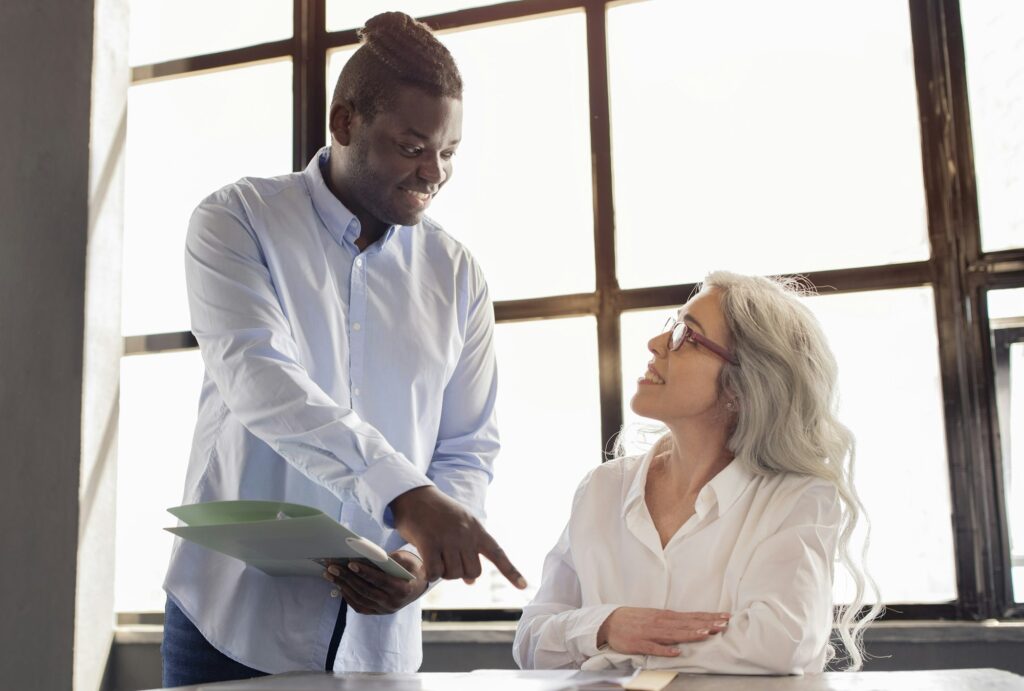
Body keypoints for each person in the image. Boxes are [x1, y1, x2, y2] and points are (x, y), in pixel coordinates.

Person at [162, 11, 525, 687]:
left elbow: (468, 445)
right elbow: (260, 379)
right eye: (414, 145)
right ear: (345, 122)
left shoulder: (457, 274)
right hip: (230, 622)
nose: (434, 172)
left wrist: (423, 560)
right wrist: (406, 495)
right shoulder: (236, 221)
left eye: (449, 152)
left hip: (381, 644)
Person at [513, 271, 880, 674]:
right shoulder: (603, 487)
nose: (655, 344)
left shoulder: (798, 496)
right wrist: (609, 624)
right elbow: (531, 639)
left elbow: (782, 643)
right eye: (672, 326)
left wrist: (605, 651)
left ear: (741, 387)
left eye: (686, 336)